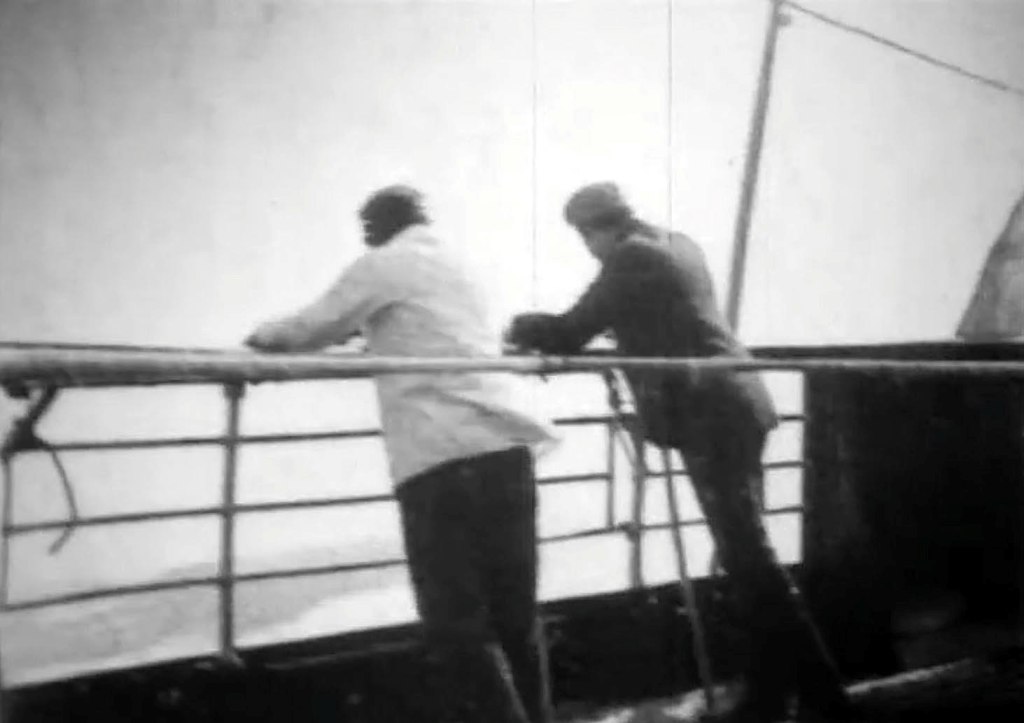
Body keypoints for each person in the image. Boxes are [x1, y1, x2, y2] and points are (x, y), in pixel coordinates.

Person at [507, 182, 854, 723]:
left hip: (712, 420)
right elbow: (663, 319)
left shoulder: (630, 257)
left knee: (752, 564)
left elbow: (572, 329)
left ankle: (826, 699)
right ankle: (770, 696)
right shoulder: (674, 242)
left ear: (594, 231)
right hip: (735, 405)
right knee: (747, 560)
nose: (589, 251)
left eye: (585, 240)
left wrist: (519, 328)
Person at [245, 185, 559, 723]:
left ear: (376, 229)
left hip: (440, 458)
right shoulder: (466, 266)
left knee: (456, 624)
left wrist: (258, 338)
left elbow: (308, 329)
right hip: (507, 450)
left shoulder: (385, 263)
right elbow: (438, 333)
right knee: (515, 616)